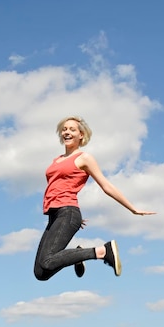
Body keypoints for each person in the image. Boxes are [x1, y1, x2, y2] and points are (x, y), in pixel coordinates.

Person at [33, 116, 156, 281]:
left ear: (81, 135)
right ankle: (79, 254)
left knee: (47, 261)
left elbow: (106, 185)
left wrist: (132, 208)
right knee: (41, 273)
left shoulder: (84, 158)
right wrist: (70, 218)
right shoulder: (56, 160)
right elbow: (57, 187)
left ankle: (103, 251)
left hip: (67, 212)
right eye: (64, 129)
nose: (67, 132)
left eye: (72, 129)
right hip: (56, 214)